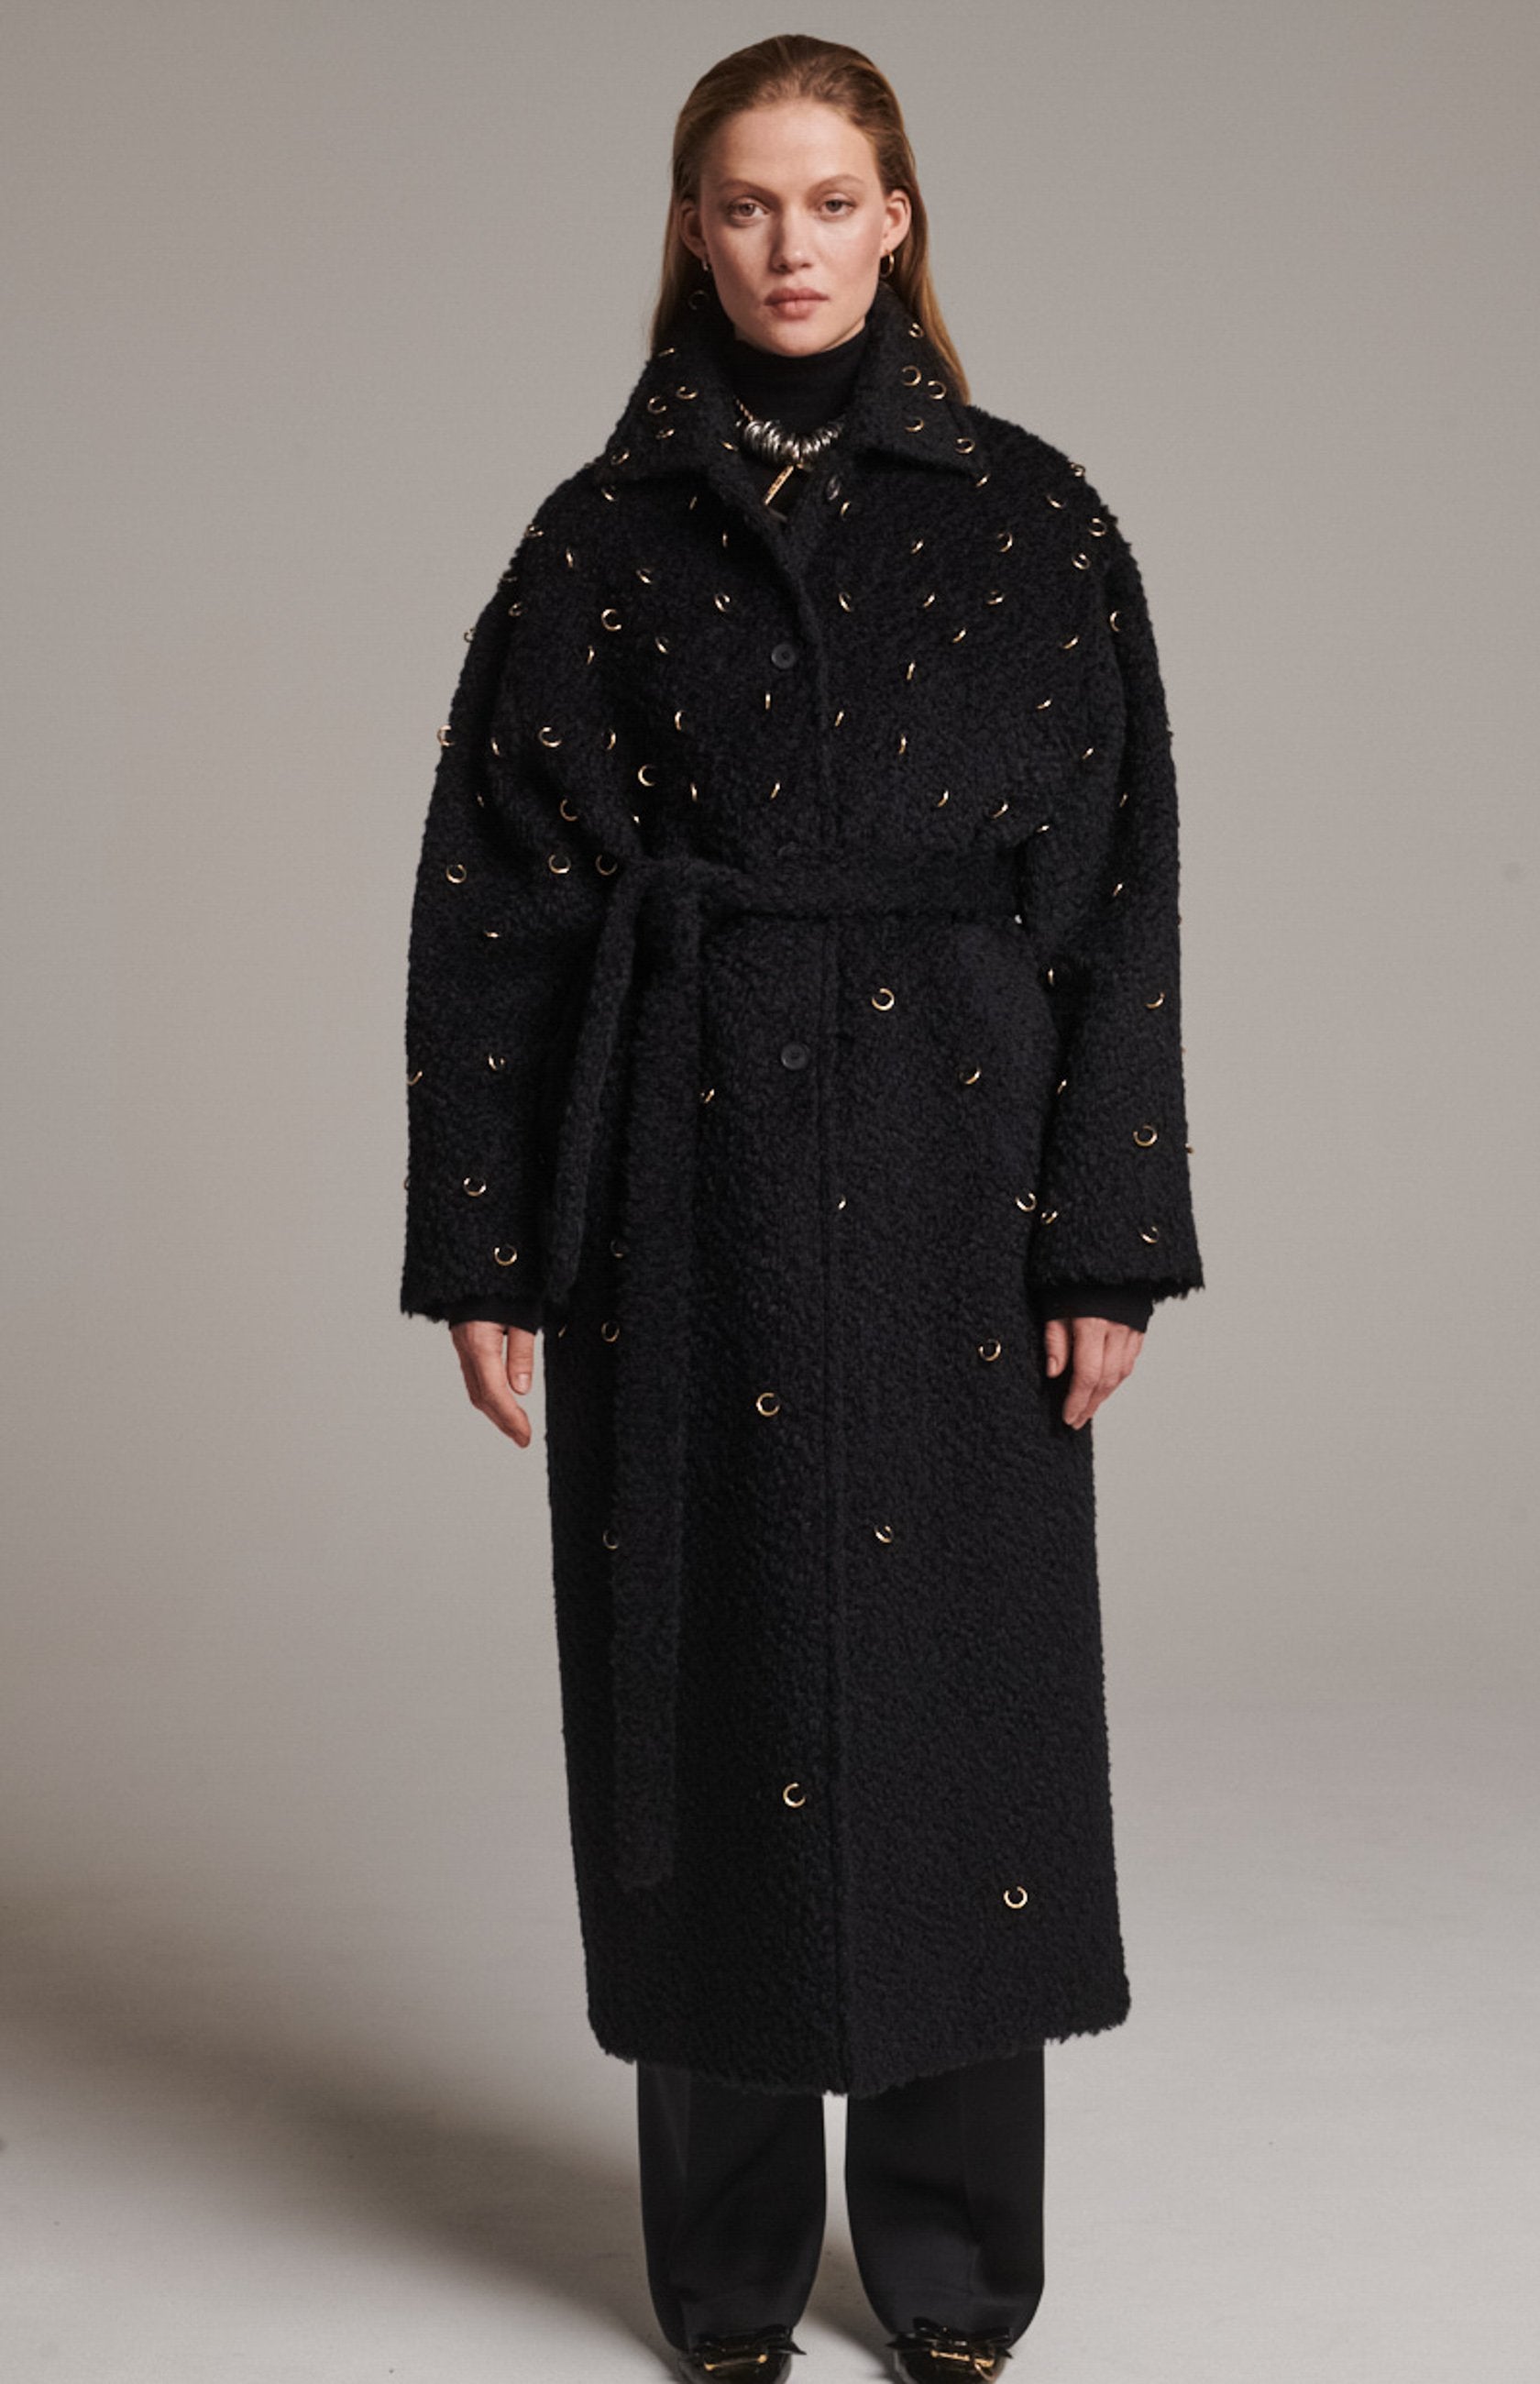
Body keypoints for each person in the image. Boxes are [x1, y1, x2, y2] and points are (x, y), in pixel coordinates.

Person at [400, 34, 1204, 2384]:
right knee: (702, 1692)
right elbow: (496, 902)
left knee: (963, 1714)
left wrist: (1105, 1233)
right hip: (687, 1178)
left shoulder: (1035, 518)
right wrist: (490, 1245)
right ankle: (729, 2274)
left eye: (832, 200)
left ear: (899, 220)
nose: (789, 247)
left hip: (962, 1176)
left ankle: (955, 2262)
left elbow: (1123, 892)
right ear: (690, 226)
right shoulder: (595, 538)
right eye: (746, 204)